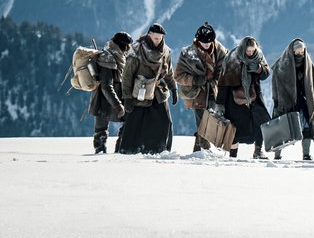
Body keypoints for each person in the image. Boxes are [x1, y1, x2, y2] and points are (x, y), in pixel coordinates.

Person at [118, 23, 177, 154]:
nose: (158, 40)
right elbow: (127, 76)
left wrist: (173, 88)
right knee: (135, 123)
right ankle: (129, 150)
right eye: (156, 38)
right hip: (139, 92)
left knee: (165, 121)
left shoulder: (165, 51)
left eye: (160, 38)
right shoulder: (136, 51)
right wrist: (127, 97)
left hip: (158, 92)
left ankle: (161, 150)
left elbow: (169, 72)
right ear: (149, 35)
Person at [174, 22, 228, 152]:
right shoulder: (187, 53)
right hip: (196, 92)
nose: (207, 45)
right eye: (204, 42)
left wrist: (217, 78)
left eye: (209, 42)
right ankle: (205, 148)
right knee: (202, 120)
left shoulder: (220, 51)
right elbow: (178, 76)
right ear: (198, 40)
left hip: (214, 90)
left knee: (210, 120)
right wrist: (196, 80)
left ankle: (198, 152)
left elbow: (224, 69)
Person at [216, 36, 271, 159]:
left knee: (261, 122)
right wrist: (220, 104)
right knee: (235, 128)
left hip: (254, 96)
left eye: (252, 51)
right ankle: (233, 155)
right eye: (248, 51)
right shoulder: (232, 58)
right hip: (234, 99)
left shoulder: (259, 56)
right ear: (243, 48)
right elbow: (223, 82)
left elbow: (266, 73)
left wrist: (259, 69)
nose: (250, 53)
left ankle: (258, 151)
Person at [270, 38, 314, 160]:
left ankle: (306, 154)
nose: (300, 54)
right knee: (282, 128)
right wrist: (277, 100)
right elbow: (275, 84)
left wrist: (313, 95)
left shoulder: (307, 63)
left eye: (302, 52)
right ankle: (277, 156)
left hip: (304, 102)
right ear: (291, 51)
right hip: (285, 101)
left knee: (307, 127)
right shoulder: (282, 64)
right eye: (297, 52)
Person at [89, 31, 132, 154]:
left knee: (124, 125)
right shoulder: (107, 57)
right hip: (105, 100)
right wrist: (118, 105)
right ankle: (101, 154)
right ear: (123, 45)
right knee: (101, 130)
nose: (129, 48)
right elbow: (106, 86)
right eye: (128, 45)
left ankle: (119, 152)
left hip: (113, 98)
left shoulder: (118, 56)